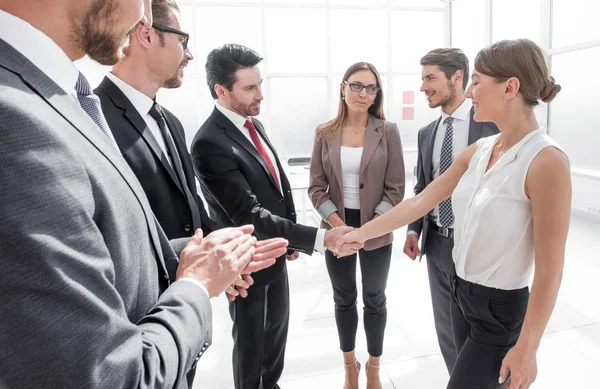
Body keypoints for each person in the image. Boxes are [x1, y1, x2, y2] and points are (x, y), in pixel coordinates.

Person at [0, 1, 287, 388]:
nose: (144, 17)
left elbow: (104, 238)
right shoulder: (17, 118)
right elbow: (111, 374)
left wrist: (196, 255)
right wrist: (195, 285)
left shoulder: (60, 96)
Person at [337, 38, 569, 389]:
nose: (470, 91)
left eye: (476, 81)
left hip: (498, 311)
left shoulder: (547, 160)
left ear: (510, 87)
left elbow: (551, 270)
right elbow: (420, 201)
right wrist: (359, 233)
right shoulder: (482, 148)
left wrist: (528, 346)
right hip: (462, 297)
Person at [191, 44, 362, 389]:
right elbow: (249, 213)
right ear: (220, 91)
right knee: (252, 349)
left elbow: (276, 184)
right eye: (250, 88)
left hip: (274, 255)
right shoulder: (209, 143)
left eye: (260, 84)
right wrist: (319, 238)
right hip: (246, 267)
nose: (261, 95)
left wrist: (287, 243)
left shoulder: (252, 125)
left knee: (275, 339)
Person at [308, 61, 405, 389]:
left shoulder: (388, 131)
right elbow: (316, 188)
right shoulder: (325, 133)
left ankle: (374, 365)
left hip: (376, 229)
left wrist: (367, 230)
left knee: (375, 297)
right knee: (343, 297)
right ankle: (350, 365)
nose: (364, 93)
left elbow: (396, 189)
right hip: (336, 230)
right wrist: (339, 227)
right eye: (357, 85)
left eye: (371, 88)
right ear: (343, 88)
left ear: (377, 94)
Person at [403, 48, 499, 374]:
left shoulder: (491, 126)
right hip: (436, 245)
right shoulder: (426, 133)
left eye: (430, 78)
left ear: (457, 77)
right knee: (446, 329)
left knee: (478, 330)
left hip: (478, 243)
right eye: (422, 78)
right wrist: (414, 230)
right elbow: (422, 188)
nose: (422, 87)